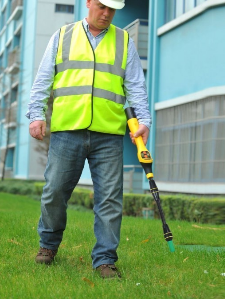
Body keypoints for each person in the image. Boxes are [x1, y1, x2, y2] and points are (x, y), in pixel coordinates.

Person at [26, 0, 151, 279]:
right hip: (67, 129)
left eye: (112, 9)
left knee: (110, 198)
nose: (106, 13)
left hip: (108, 133)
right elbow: (44, 77)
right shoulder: (62, 35)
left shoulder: (124, 40)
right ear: (89, 3)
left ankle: (105, 259)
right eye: (102, 6)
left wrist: (144, 121)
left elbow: (135, 85)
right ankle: (48, 245)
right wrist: (36, 114)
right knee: (55, 191)